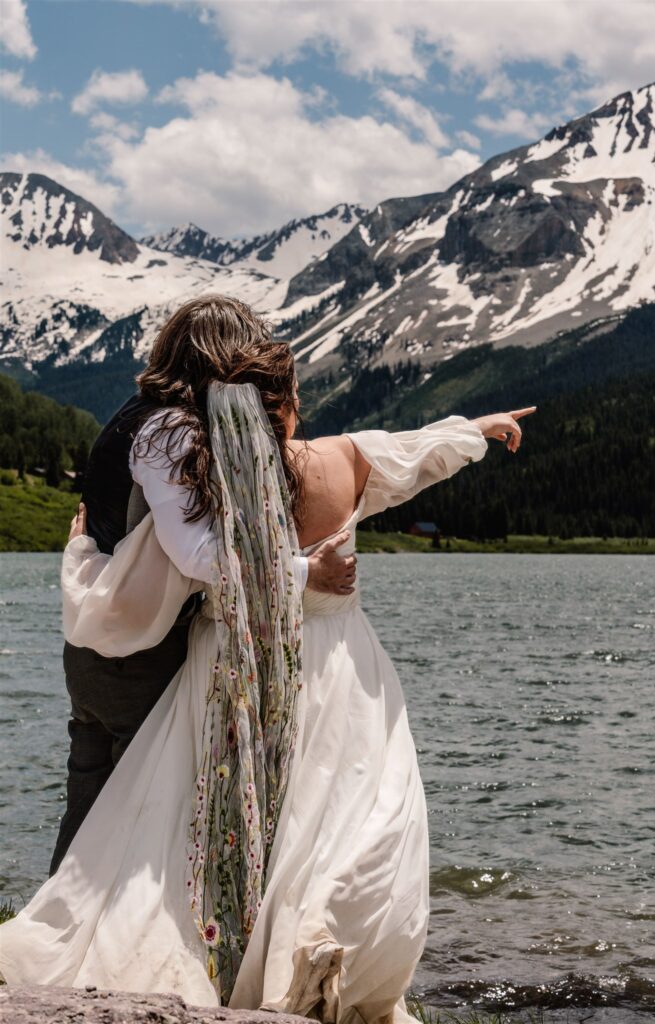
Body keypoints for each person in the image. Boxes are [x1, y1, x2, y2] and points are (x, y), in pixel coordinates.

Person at [0, 296, 534, 1023]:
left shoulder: (203, 455)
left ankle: (154, 943)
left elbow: (198, 554)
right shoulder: (307, 455)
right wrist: (472, 432)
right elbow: (409, 455)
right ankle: (295, 956)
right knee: (328, 812)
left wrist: (467, 430)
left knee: (143, 821)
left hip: (173, 654)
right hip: (286, 663)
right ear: (276, 398)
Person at [50, 296, 357, 874]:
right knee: (136, 816)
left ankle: (51, 937)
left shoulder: (132, 414)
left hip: (93, 643)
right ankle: (104, 947)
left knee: (90, 802)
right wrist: (302, 573)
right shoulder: (170, 428)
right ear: (218, 355)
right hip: (136, 653)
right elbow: (198, 555)